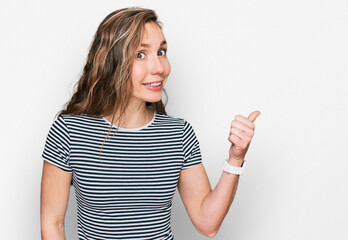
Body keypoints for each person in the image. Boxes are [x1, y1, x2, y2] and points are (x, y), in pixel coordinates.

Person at [40, 7, 260, 240]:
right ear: (111, 62)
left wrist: (235, 159)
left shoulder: (178, 134)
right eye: (141, 54)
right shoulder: (69, 132)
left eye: (162, 52)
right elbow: (52, 224)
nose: (159, 68)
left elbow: (208, 224)